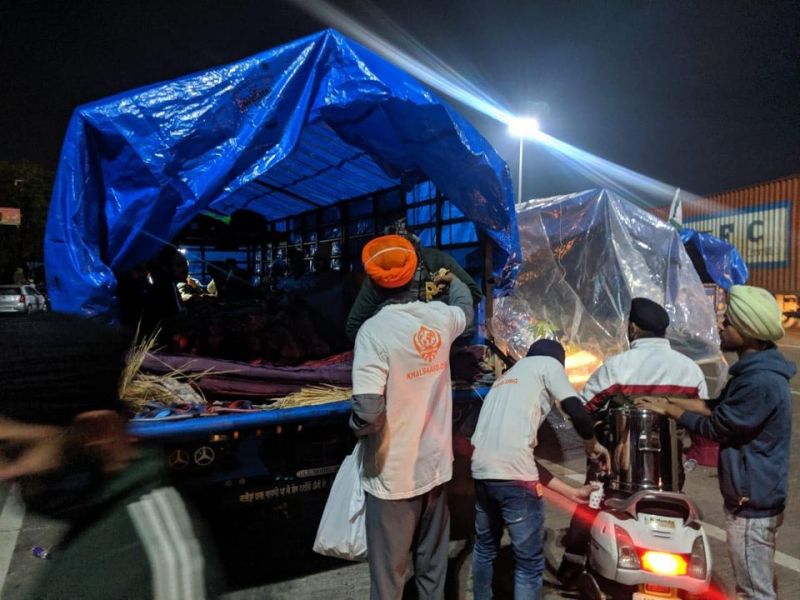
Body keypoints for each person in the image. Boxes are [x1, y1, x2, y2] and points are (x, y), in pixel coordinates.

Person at [0, 314, 221, 599]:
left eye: (15, 451)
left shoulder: (160, 565)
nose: (3, 473)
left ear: (97, 431)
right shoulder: (96, 518)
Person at [637, 285, 794, 600]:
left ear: (749, 332)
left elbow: (719, 425)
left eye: (729, 322)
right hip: (755, 495)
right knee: (759, 581)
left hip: (752, 504)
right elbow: (718, 406)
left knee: (754, 591)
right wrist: (672, 400)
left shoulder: (760, 381)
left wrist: (674, 412)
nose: (722, 326)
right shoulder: (754, 372)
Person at [349, 234, 473, 600]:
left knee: (389, 578)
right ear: (417, 270)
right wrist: (454, 282)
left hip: (394, 477)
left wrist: (355, 428)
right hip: (435, 469)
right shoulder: (439, 318)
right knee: (432, 569)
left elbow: (369, 414)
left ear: (372, 282)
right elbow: (466, 308)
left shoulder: (372, 333)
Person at [558, 297, 708, 585]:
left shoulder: (618, 366)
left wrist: (594, 445)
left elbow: (585, 410)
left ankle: (571, 566)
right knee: (674, 517)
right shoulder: (690, 370)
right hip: (669, 471)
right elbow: (701, 421)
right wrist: (690, 459)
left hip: (617, 465)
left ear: (633, 328)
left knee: (589, 506)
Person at [470, 339, 610, 599]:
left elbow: (516, 457)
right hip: (515, 486)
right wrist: (593, 445)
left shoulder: (506, 379)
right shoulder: (548, 365)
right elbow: (577, 413)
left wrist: (571, 492)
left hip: (482, 474)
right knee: (529, 564)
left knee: (485, 550)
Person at [345, 239, 482, 342]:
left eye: (400, 276)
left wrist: (433, 310)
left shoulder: (436, 261)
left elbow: (473, 295)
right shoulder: (377, 278)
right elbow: (354, 328)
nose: (393, 276)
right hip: (397, 348)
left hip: (445, 342)